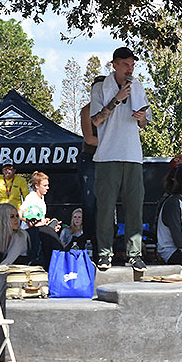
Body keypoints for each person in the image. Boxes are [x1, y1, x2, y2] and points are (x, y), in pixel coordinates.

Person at [90, 46, 152, 272]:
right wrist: (116, 99)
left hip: (133, 155)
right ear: (114, 64)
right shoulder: (100, 87)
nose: (130, 69)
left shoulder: (137, 86)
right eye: (126, 64)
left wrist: (142, 117)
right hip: (107, 156)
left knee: (134, 207)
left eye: (132, 65)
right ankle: (104, 253)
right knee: (106, 208)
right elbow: (96, 120)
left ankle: (134, 254)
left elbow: (144, 123)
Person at [77, 75, 105, 253]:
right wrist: (111, 141)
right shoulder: (87, 110)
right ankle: (90, 238)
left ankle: (108, 239)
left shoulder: (113, 110)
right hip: (90, 158)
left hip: (107, 159)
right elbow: (89, 138)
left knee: (107, 201)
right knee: (90, 202)